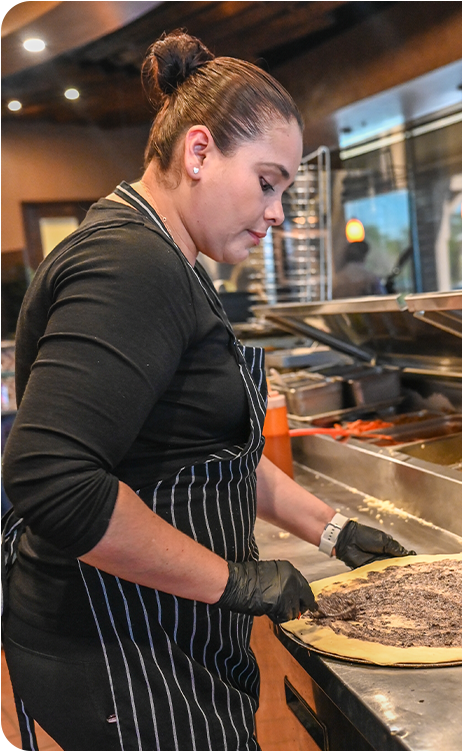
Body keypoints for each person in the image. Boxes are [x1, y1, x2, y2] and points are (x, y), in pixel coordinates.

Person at [0, 31, 414, 751]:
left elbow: (208, 451)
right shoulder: (131, 265)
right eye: (267, 180)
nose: (278, 212)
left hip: (158, 628)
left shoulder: (172, 258)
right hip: (120, 643)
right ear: (198, 153)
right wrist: (235, 581)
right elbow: (52, 480)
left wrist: (330, 529)